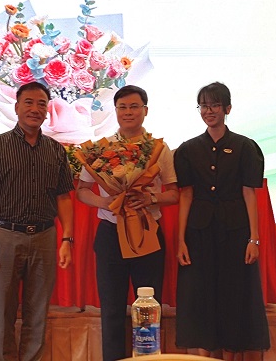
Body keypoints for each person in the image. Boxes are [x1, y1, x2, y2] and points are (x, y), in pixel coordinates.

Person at [76, 85, 179, 361]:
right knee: (111, 309)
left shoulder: (158, 149)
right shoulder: (101, 149)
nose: (128, 112)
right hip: (110, 234)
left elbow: (173, 193)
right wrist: (105, 201)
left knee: (148, 310)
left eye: (134, 107)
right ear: (116, 111)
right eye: (123, 107)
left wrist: (150, 199)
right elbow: (82, 191)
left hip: (147, 232)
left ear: (145, 110)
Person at [0, 81, 75, 361]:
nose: (35, 109)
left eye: (42, 104)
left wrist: (67, 238)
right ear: (17, 107)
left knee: (37, 313)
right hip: (6, 236)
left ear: (47, 110)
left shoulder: (56, 150)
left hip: (44, 236)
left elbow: (64, 198)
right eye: (28, 102)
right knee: (3, 314)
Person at [174, 82, 270, 360]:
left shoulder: (245, 146)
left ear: (227, 108)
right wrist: (181, 240)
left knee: (234, 295)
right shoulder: (188, 149)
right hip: (199, 233)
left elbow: (249, 193)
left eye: (215, 105)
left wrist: (254, 239)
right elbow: (186, 195)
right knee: (201, 296)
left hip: (235, 232)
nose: (209, 111)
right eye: (204, 106)